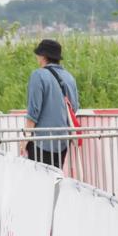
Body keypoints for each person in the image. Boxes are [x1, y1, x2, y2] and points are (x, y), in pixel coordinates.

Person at [24, 39, 80, 170]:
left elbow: (34, 111)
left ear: (43, 56)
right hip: (62, 141)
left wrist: (25, 138)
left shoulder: (38, 75)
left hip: (41, 141)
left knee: (39, 181)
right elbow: (75, 107)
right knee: (55, 180)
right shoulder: (69, 77)